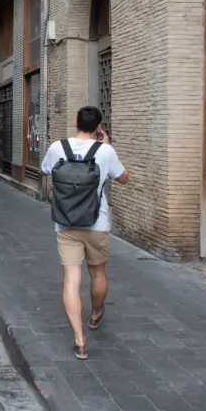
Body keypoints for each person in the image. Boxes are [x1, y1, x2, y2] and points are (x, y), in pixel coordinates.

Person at [41, 106, 129, 360]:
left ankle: (80, 341)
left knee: (71, 279)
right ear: (99, 127)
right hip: (96, 224)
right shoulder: (106, 151)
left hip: (66, 224)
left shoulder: (58, 148)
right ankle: (94, 314)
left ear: (75, 122)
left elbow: (46, 170)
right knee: (98, 272)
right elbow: (124, 178)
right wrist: (107, 147)